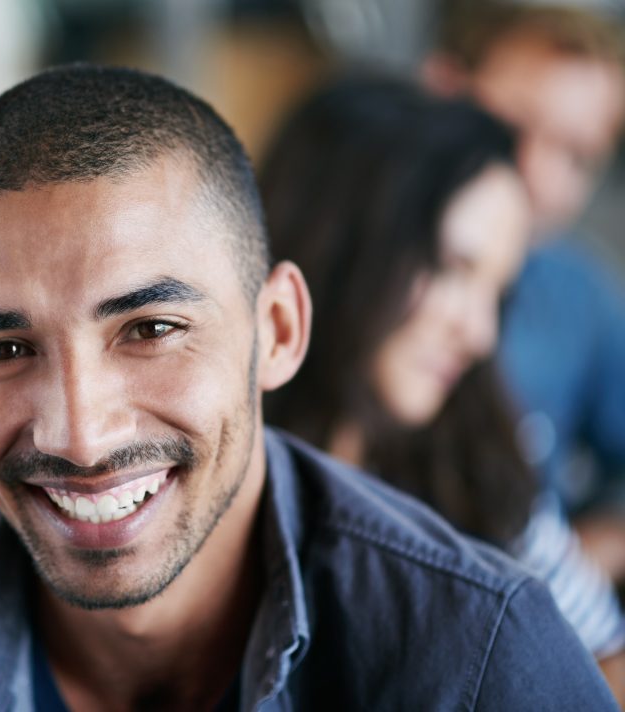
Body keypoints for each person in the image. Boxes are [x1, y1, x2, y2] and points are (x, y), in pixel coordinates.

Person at [0, 64, 617, 711]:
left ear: (276, 332)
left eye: (149, 330)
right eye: (2, 350)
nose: (81, 432)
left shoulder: (476, 657)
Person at [260, 73, 625, 703]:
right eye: (454, 268)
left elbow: (604, 657)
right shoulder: (218, 470)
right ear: (348, 242)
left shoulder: (478, 465)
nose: (479, 333)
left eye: (497, 292)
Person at [424, 0, 625, 579]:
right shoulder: (373, 276)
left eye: (576, 155)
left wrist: (589, 557)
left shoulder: (579, 295)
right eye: (512, 130)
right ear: (443, 91)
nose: (538, 173)